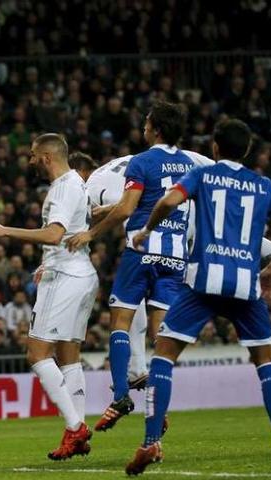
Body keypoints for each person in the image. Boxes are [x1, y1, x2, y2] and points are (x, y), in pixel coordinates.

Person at [125, 119, 271, 474]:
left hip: (203, 283)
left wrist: (147, 229)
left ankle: (150, 443)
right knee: (265, 362)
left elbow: (168, 202)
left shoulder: (201, 175)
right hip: (244, 285)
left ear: (216, 148)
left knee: (163, 355)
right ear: (248, 151)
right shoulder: (264, 185)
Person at [83, 150, 271, 389]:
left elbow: (127, 209)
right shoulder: (182, 158)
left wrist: (101, 221)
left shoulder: (92, 186)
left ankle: (137, 369)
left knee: (128, 302)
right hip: (178, 217)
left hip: (151, 229)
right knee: (232, 234)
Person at [66, 101, 196, 431]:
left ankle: (121, 395)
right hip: (175, 257)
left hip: (142, 251)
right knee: (161, 338)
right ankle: (156, 407)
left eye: (147, 123)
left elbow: (126, 209)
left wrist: (91, 232)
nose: (144, 128)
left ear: (157, 129)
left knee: (120, 322)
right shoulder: (189, 165)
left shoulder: (142, 161)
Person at [0, 134, 94, 460]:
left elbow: (55, 234)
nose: (29, 160)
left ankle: (75, 427)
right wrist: (45, 262)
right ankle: (78, 431)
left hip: (65, 276)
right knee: (69, 354)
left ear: (45, 157)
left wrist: (4, 230)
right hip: (80, 274)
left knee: (36, 353)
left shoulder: (64, 187)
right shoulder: (75, 183)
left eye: (32, 155)